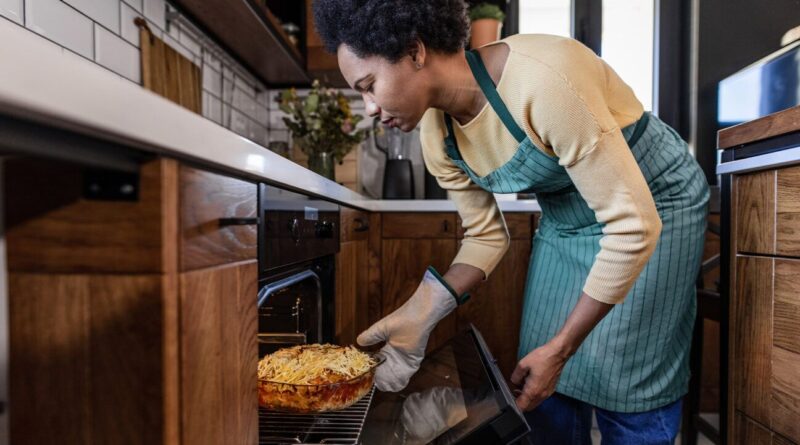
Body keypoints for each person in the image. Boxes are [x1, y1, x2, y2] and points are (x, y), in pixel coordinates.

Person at [313, 1, 709, 443]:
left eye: (369, 86)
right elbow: (484, 236)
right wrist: (423, 309)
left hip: (654, 205)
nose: (369, 107)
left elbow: (633, 227)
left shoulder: (546, 78)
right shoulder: (437, 138)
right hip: (566, 219)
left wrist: (562, 350)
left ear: (414, 50)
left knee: (628, 371)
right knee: (538, 372)